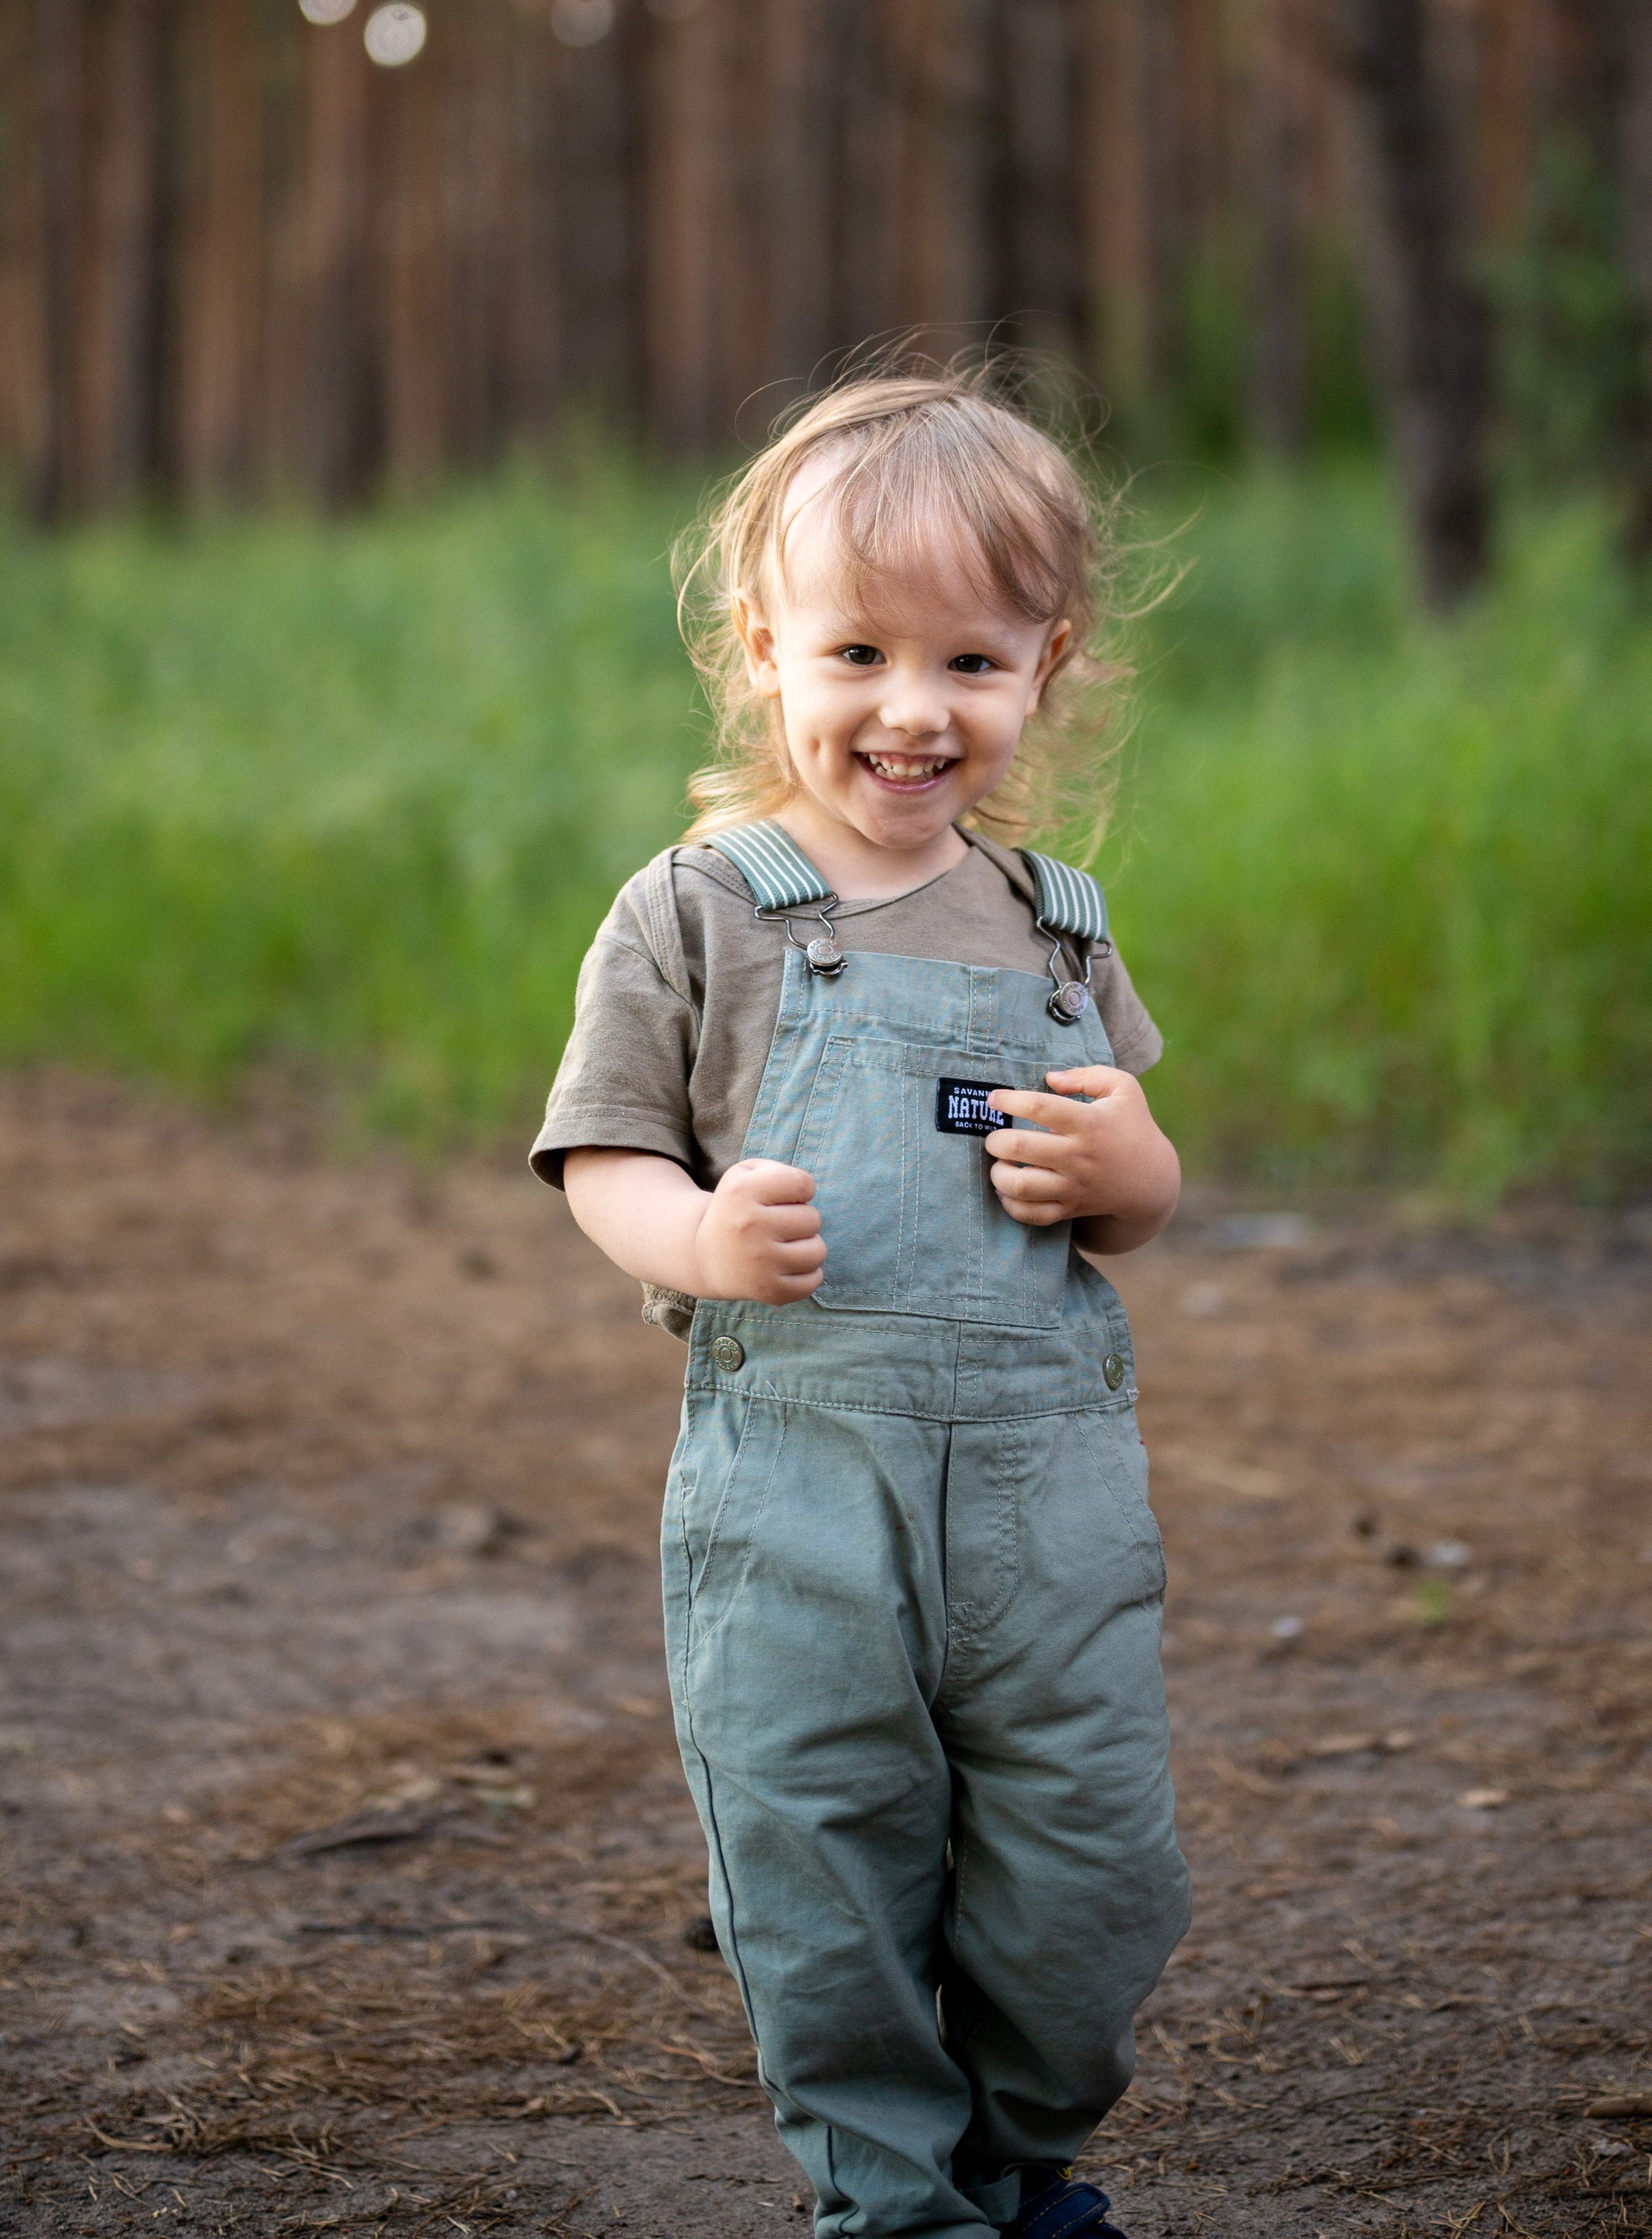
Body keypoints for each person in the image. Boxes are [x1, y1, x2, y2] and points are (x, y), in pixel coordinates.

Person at [531, 368, 1190, 2239]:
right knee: (824, 1847)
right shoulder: (697, 911)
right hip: (800, 1477)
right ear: (763, 648)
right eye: (857, 652)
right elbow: (602, 1158)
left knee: (1091, 1866)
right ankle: (896, 2204)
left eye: (968, 663)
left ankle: (1020, 2147)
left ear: (1043, 665)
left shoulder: (1057, 924)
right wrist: (699, 1242)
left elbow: (1135, 1195)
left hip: (1046, 1497)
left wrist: (1123, 1169)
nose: (911, 710)